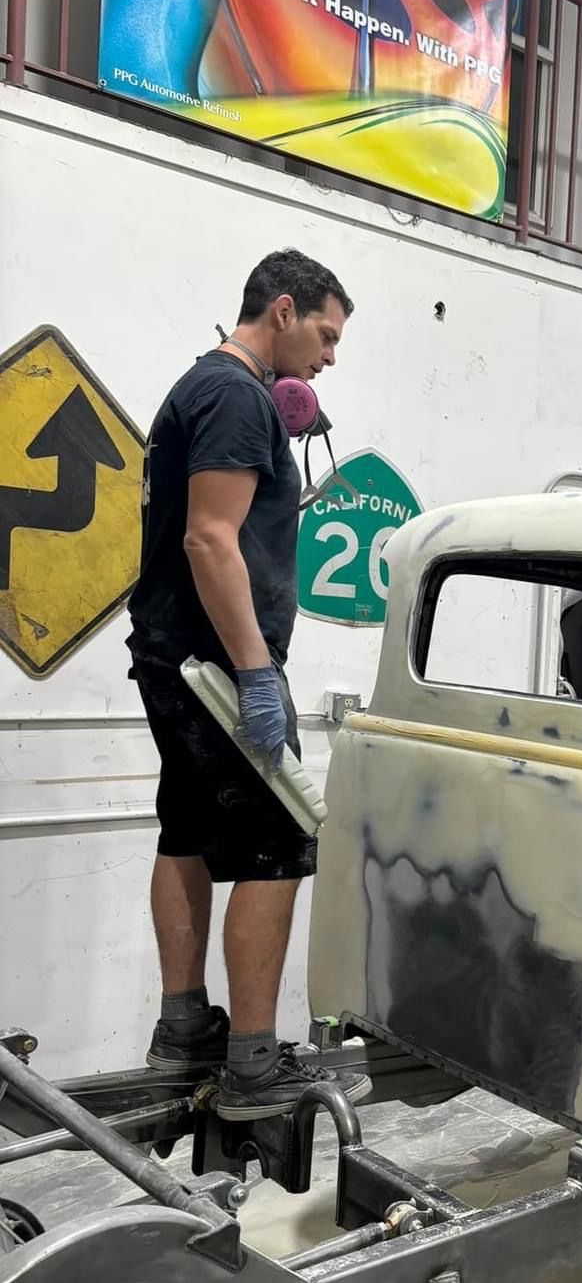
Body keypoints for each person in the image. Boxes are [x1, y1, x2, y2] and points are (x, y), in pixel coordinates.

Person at [128, 249, 370, 1121]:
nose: (330, 358)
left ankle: (184, 1029)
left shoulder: (205, 390)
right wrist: (258, 675)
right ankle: (255, 1070)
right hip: (219, 667)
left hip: (173, 652)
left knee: (186, 832)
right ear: (281, 310)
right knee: (279, 841)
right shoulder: (234, 396)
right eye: (325, 334)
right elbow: (208, 541)